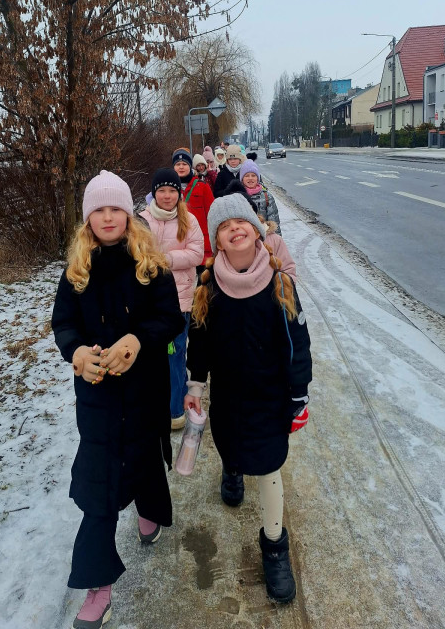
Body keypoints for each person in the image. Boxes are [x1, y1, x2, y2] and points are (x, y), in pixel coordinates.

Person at [51, 170, 185, 629]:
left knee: (144, 454)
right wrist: (77, 353)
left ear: (129, 214)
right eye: (99, 210)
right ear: (88, 219)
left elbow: (171, 319)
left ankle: (150, 510)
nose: (108, 217)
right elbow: (63, 324)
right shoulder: (76, 272)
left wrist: (138, 340)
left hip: (143, 388)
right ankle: (98, 588)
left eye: (116, 209)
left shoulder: (151, 264)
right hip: (97, 399)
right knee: (99, 486)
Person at [185, 191, 312, 605]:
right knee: (230, 444)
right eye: (223, 226)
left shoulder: (279, 284)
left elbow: (298, 344)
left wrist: (299, 395)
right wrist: (195, 385)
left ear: (256, 231)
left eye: (240, 222)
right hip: (229, 398)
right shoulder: (210, 288)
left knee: (270, 468)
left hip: (270, 399)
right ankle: (231, 469)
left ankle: (274, 546)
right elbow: (199, 343)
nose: (234, 229)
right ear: (217, 241)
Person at [140, 168, 204, 430]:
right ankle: (152, 406)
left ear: (179, 193)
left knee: (174, 354)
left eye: (172, 190)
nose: (167, 196)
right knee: (149, 357)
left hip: (180, 301)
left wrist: (165, 261)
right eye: (162, 190)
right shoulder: (141, 221)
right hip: (147, 302)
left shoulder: (189, 220)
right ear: (154, 193)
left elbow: (196, 254)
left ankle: (175, 409)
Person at [172, 147, 215, 267]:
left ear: (190, 166)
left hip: (202, 246)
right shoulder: (169, 190)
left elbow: (212, 215)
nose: (181, 167)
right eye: (178, 164)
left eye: (184, 164)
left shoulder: (202, 186)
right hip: (178, 245)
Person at [239, 159, 282, 235]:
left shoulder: (267, 196)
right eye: (247, 176)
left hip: (264, 236)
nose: (250, 178)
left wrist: (277, 241)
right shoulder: (238, 197)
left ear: (258, 178)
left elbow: (274, 221)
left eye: (253, 175)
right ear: (242, 179)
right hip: (245, 238)